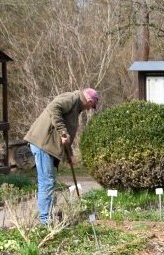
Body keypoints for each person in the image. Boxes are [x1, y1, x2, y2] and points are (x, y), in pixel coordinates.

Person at [24, 88, 98, 224]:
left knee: (48, 181)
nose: (89, 109)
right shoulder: (72, 98)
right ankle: (45, 220)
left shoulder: (76, 108)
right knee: (47, 181)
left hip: (47, 145)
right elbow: (53, 108)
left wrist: (69, 155)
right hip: (43, 143)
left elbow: (67, 138)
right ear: (89, 101)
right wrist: (62, 131)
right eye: (91, 106)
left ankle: (48, 216)